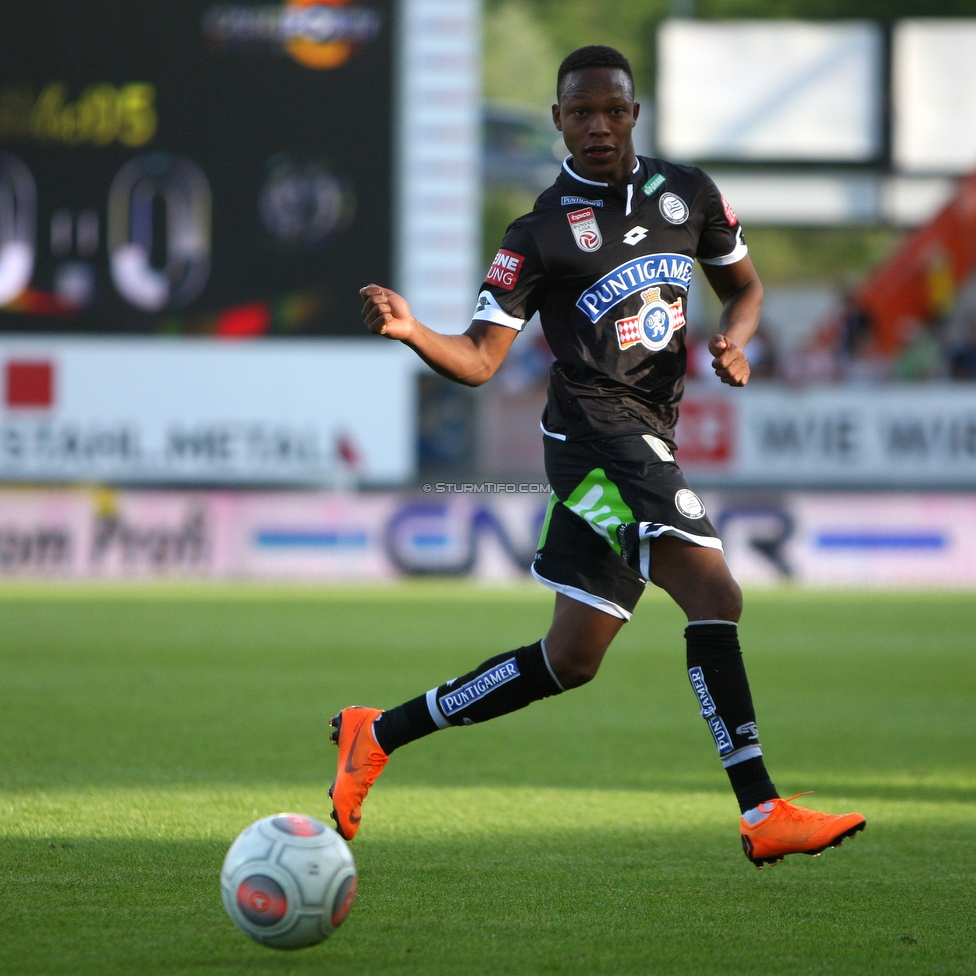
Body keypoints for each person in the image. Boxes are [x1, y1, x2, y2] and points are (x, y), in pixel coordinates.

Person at [332, 45, 865, 869]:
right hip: (595, 443)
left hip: (640, 436)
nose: (597, 126)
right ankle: (761, 807)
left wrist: (736, 339)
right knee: (714, 588)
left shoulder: (689, 194)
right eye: (579, 112)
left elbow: (748, 289)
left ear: (634, 113)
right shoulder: (537, 233)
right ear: (557, 120)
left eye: (612, 110)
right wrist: (412, 332)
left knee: (571, 658)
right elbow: (478, 360)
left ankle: (380, 732)